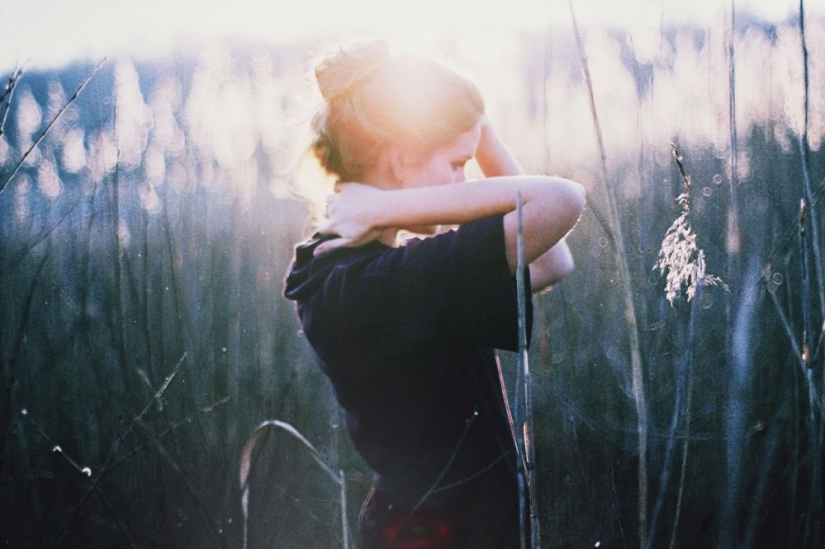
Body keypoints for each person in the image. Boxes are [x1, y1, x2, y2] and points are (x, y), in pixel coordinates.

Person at [284, 40, 585, 549]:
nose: (463, 179)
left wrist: (479, 128)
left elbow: (553, 260)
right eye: (457, 161)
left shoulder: (380, 268)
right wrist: (384, 209)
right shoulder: (377, 282)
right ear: (401, 158)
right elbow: (562, 200)